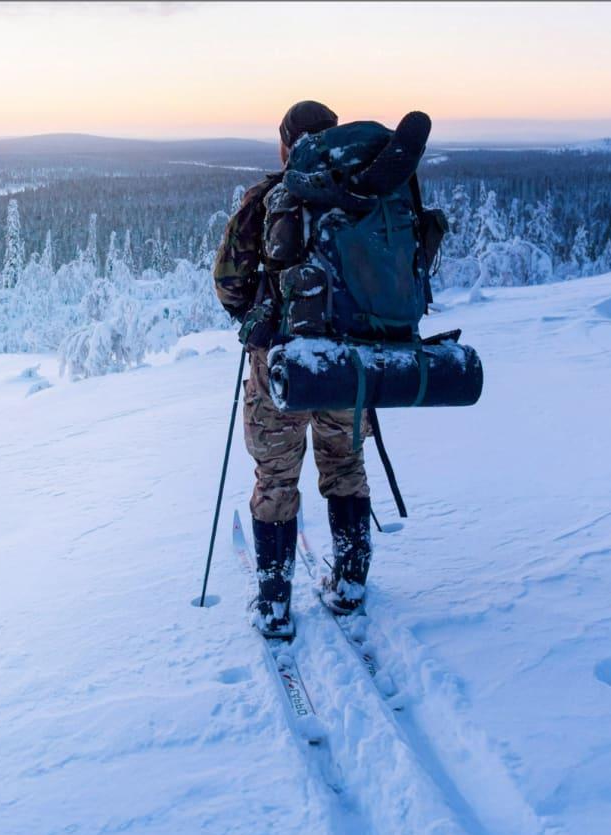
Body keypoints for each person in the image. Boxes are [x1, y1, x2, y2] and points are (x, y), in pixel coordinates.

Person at [210, 100, 374, 638]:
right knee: (344, 465)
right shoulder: (363, 197)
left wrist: (258, 314)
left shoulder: (267, 201)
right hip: (348, 363)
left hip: (282, 362)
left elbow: (228, 282)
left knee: (276, 478)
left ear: (286, 145)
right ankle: (350, 584)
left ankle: (275, 606)